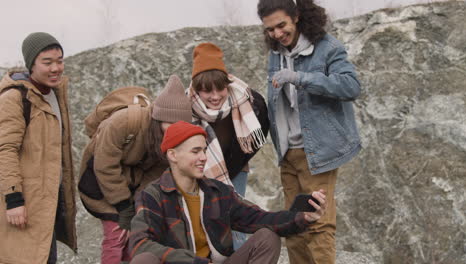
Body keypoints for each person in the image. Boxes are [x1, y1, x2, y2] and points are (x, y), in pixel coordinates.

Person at [129, 121, 327, 264]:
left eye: (204, 150)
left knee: (268, 237)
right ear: (173, 155)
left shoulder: (217, 192)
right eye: (195, 151)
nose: (203, 158)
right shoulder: (152, 195)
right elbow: (140, 244)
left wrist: (303, 217)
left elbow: (260, 218)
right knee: (144, 260)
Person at [257, 0, 362, 263]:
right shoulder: (276, 53)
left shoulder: (327, 47)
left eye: (281, 25)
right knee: (293, 227)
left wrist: (301, 79)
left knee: (318, 225)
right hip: (288, 153)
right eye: (270, 29)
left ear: (297, 16)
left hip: (317, 153)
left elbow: (351, 87)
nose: (277, 34)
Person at [78, 75, 192, 264]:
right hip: (100, 182)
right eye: (170, 124)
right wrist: (123, 207)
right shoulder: (124, 121)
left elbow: (153, 176)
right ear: (158, 117)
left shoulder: (172, 142)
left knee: (136, 237)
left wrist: (138, 207)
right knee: (116, 235)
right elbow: (105, 165)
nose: (174, 130)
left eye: (180, 126)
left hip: (131, 186)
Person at [0, 32, 77, 264]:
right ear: (31, 64)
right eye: (47, 62)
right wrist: (14, 200)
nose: (56, 68)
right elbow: (5, 150)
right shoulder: (14, 98)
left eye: (60, 60)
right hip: (22, 203)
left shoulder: (54, 94)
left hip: (47, 204)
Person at [188, 42, 269, 249]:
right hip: (200, 174)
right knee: (205, 224)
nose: (215, 97)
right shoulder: (187, 109)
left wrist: (230, 170)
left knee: (235, 220)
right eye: (207, 91)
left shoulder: (247, 100)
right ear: (197, 90)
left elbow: (259, 135)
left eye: (220, 89)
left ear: (227, 84)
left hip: (236, 170)